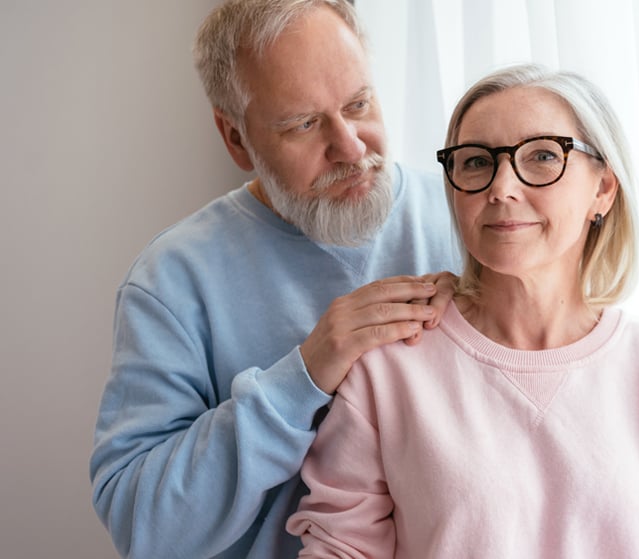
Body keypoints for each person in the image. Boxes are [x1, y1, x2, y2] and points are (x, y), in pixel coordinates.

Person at [287, 63, 639, 557]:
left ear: (603, 189)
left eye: (543, 156)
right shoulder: (387, 371)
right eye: (476, 162)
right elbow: (341, 548)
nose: (501, 187)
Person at [89, 1, 460, 557]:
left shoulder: (469, 220)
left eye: (359, 103)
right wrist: (301, 379)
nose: (351, 148)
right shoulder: (172, 282)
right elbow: (142, 525)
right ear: (235, 138)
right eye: (304, 124)